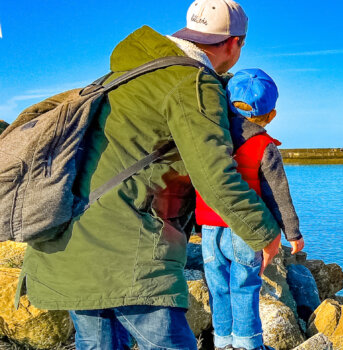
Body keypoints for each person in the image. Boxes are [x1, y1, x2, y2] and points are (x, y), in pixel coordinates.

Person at [19, 1, 281, 348]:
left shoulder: (132, 72)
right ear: (234, 43)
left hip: (67, 239)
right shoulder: (192, 83)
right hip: (127, 249)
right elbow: (214, 175)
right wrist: (265, 233)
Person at [195, 69, 305, 350]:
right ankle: (247, 344)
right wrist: (292, 232)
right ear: (271, 116)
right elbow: (278, 193)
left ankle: (222, 343)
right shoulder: (263, 145)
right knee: (244, 287)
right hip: (244, 229)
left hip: (209, 228)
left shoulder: (209, 138)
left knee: (218, 288)